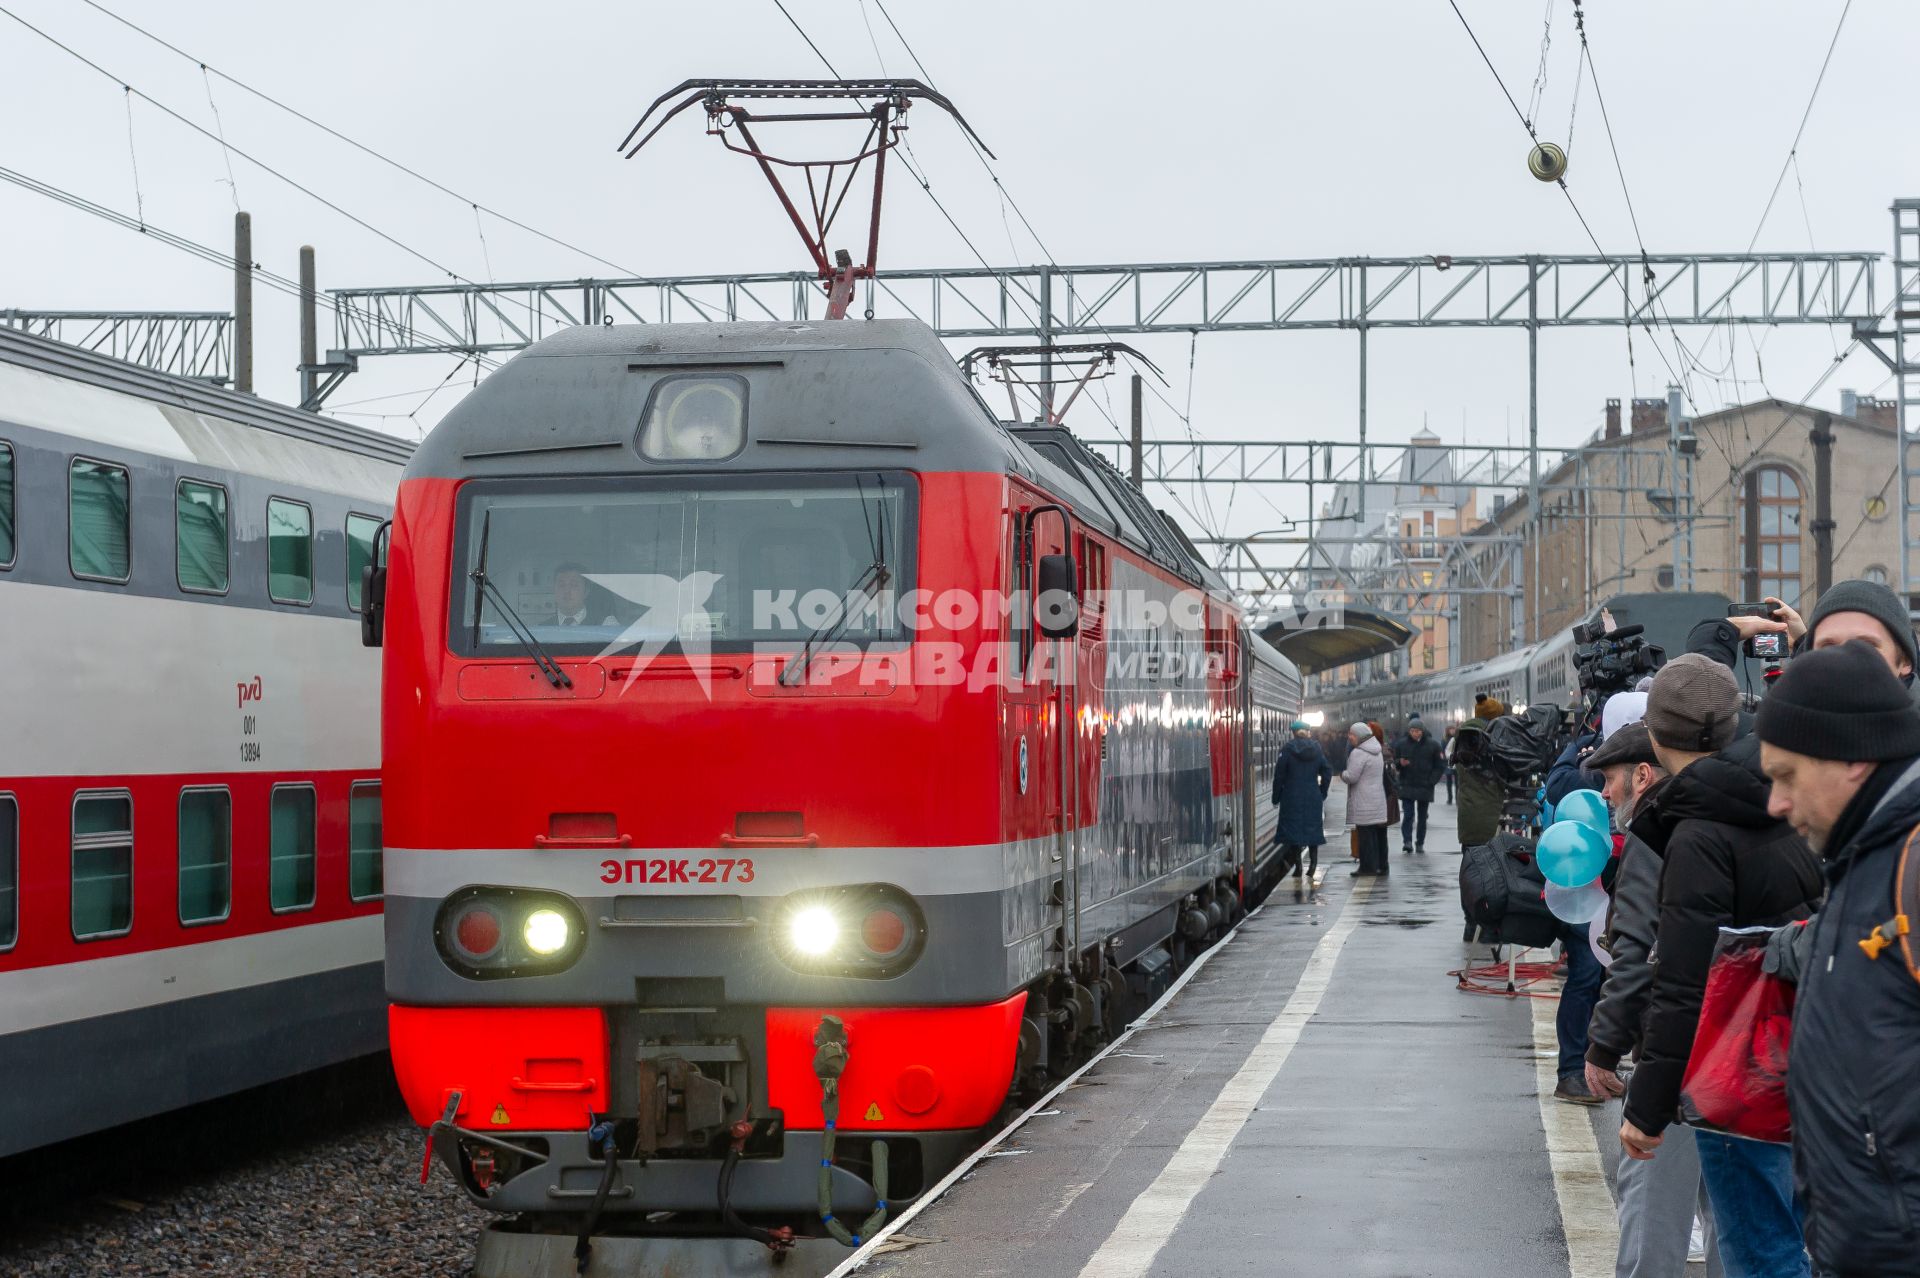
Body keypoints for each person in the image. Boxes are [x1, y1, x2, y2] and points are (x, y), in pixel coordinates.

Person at [1618, 654, 1823, 1278]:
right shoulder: (1787, 800)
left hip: (1738, 1071)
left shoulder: (1699, 832)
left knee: (1756, 1252)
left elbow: (1684, 985)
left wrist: (1647, 1108)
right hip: (1808, 1054)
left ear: (1653, 736)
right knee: (1791, 1240)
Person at [1754, 642, 1920, 1278]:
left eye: (1787, 775)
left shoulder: (1907, 863)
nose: (1776, 802)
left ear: (1853, 759)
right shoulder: (1863, 859)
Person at [1581, 721, 1724, 1277]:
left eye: (1612, 780)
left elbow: (1636, 951)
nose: (1606, 794)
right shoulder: (1730, 816)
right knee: (1728, 1218)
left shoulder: (1653, 833)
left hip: (1674, 1052)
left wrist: (1602, 1044)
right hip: (1736, 1049)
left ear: (1644, 775)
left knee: (1651, 1216)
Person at [1706, 578, 1919, 704]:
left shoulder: (1784, 744)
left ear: (1906, 661)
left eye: (1865, 645)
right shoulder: (1784, 735)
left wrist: (1713, 638)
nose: (1845, 658)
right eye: (1828, 647)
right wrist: (1803, 643)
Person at [1272, 720, 1333, 884]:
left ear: (1293, 733)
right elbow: (1327, 771)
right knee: (1312, 828)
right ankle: (1313, 864)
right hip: (1312, 794)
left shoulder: (1287, 749)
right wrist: (1322, 791)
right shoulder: (1317, 749)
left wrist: (1276, 796)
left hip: (1291, 795)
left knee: (1293, 831)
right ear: (1308, 732)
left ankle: (1298, 866)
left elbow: (1279, 775)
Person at [1342, 721, 1390, 877]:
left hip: (1363, 800)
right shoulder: (1377, 750)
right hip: (1377, 798)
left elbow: (1352, 776)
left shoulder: (1358, 753)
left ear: (1360, 736)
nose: (1349, 737)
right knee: (1379, 835)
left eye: (1352, 734)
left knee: (1365, 835)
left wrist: (1343, 774)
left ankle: (1367, 867)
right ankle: (1382, 866)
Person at [1393, 716, 1446, 853]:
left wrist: (1432, 780)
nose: (1416, 733)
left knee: (1422, 817)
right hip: (1407, 784)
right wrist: (1400, 763)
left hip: (1424, 785)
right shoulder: (1401, 744)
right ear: (1409, 731)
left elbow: (1439, 765)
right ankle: (1407, 841)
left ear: (1422, 731)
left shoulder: (1433, 745)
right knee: (1408, 815)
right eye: (1413, 731)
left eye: (1418, 731)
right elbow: (1395, 762)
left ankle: (1420, 842)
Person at [1452, 716, 1503, 850]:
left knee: (1470, 864)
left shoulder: (1459, 755)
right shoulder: (1495, 755)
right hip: (1493, 821)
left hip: (1468, 820)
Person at [1443, 724, 1458, 804]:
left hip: (1456, 762)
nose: (1452, 731)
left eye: (1453, 729)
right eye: (1451, 729)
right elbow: (1442, 750)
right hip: (1448, 762)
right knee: (1448, 782)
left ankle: (1457, 799)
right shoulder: (1445, 740)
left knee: (1457, 782)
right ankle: (1450, 798)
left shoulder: (1457, 738)